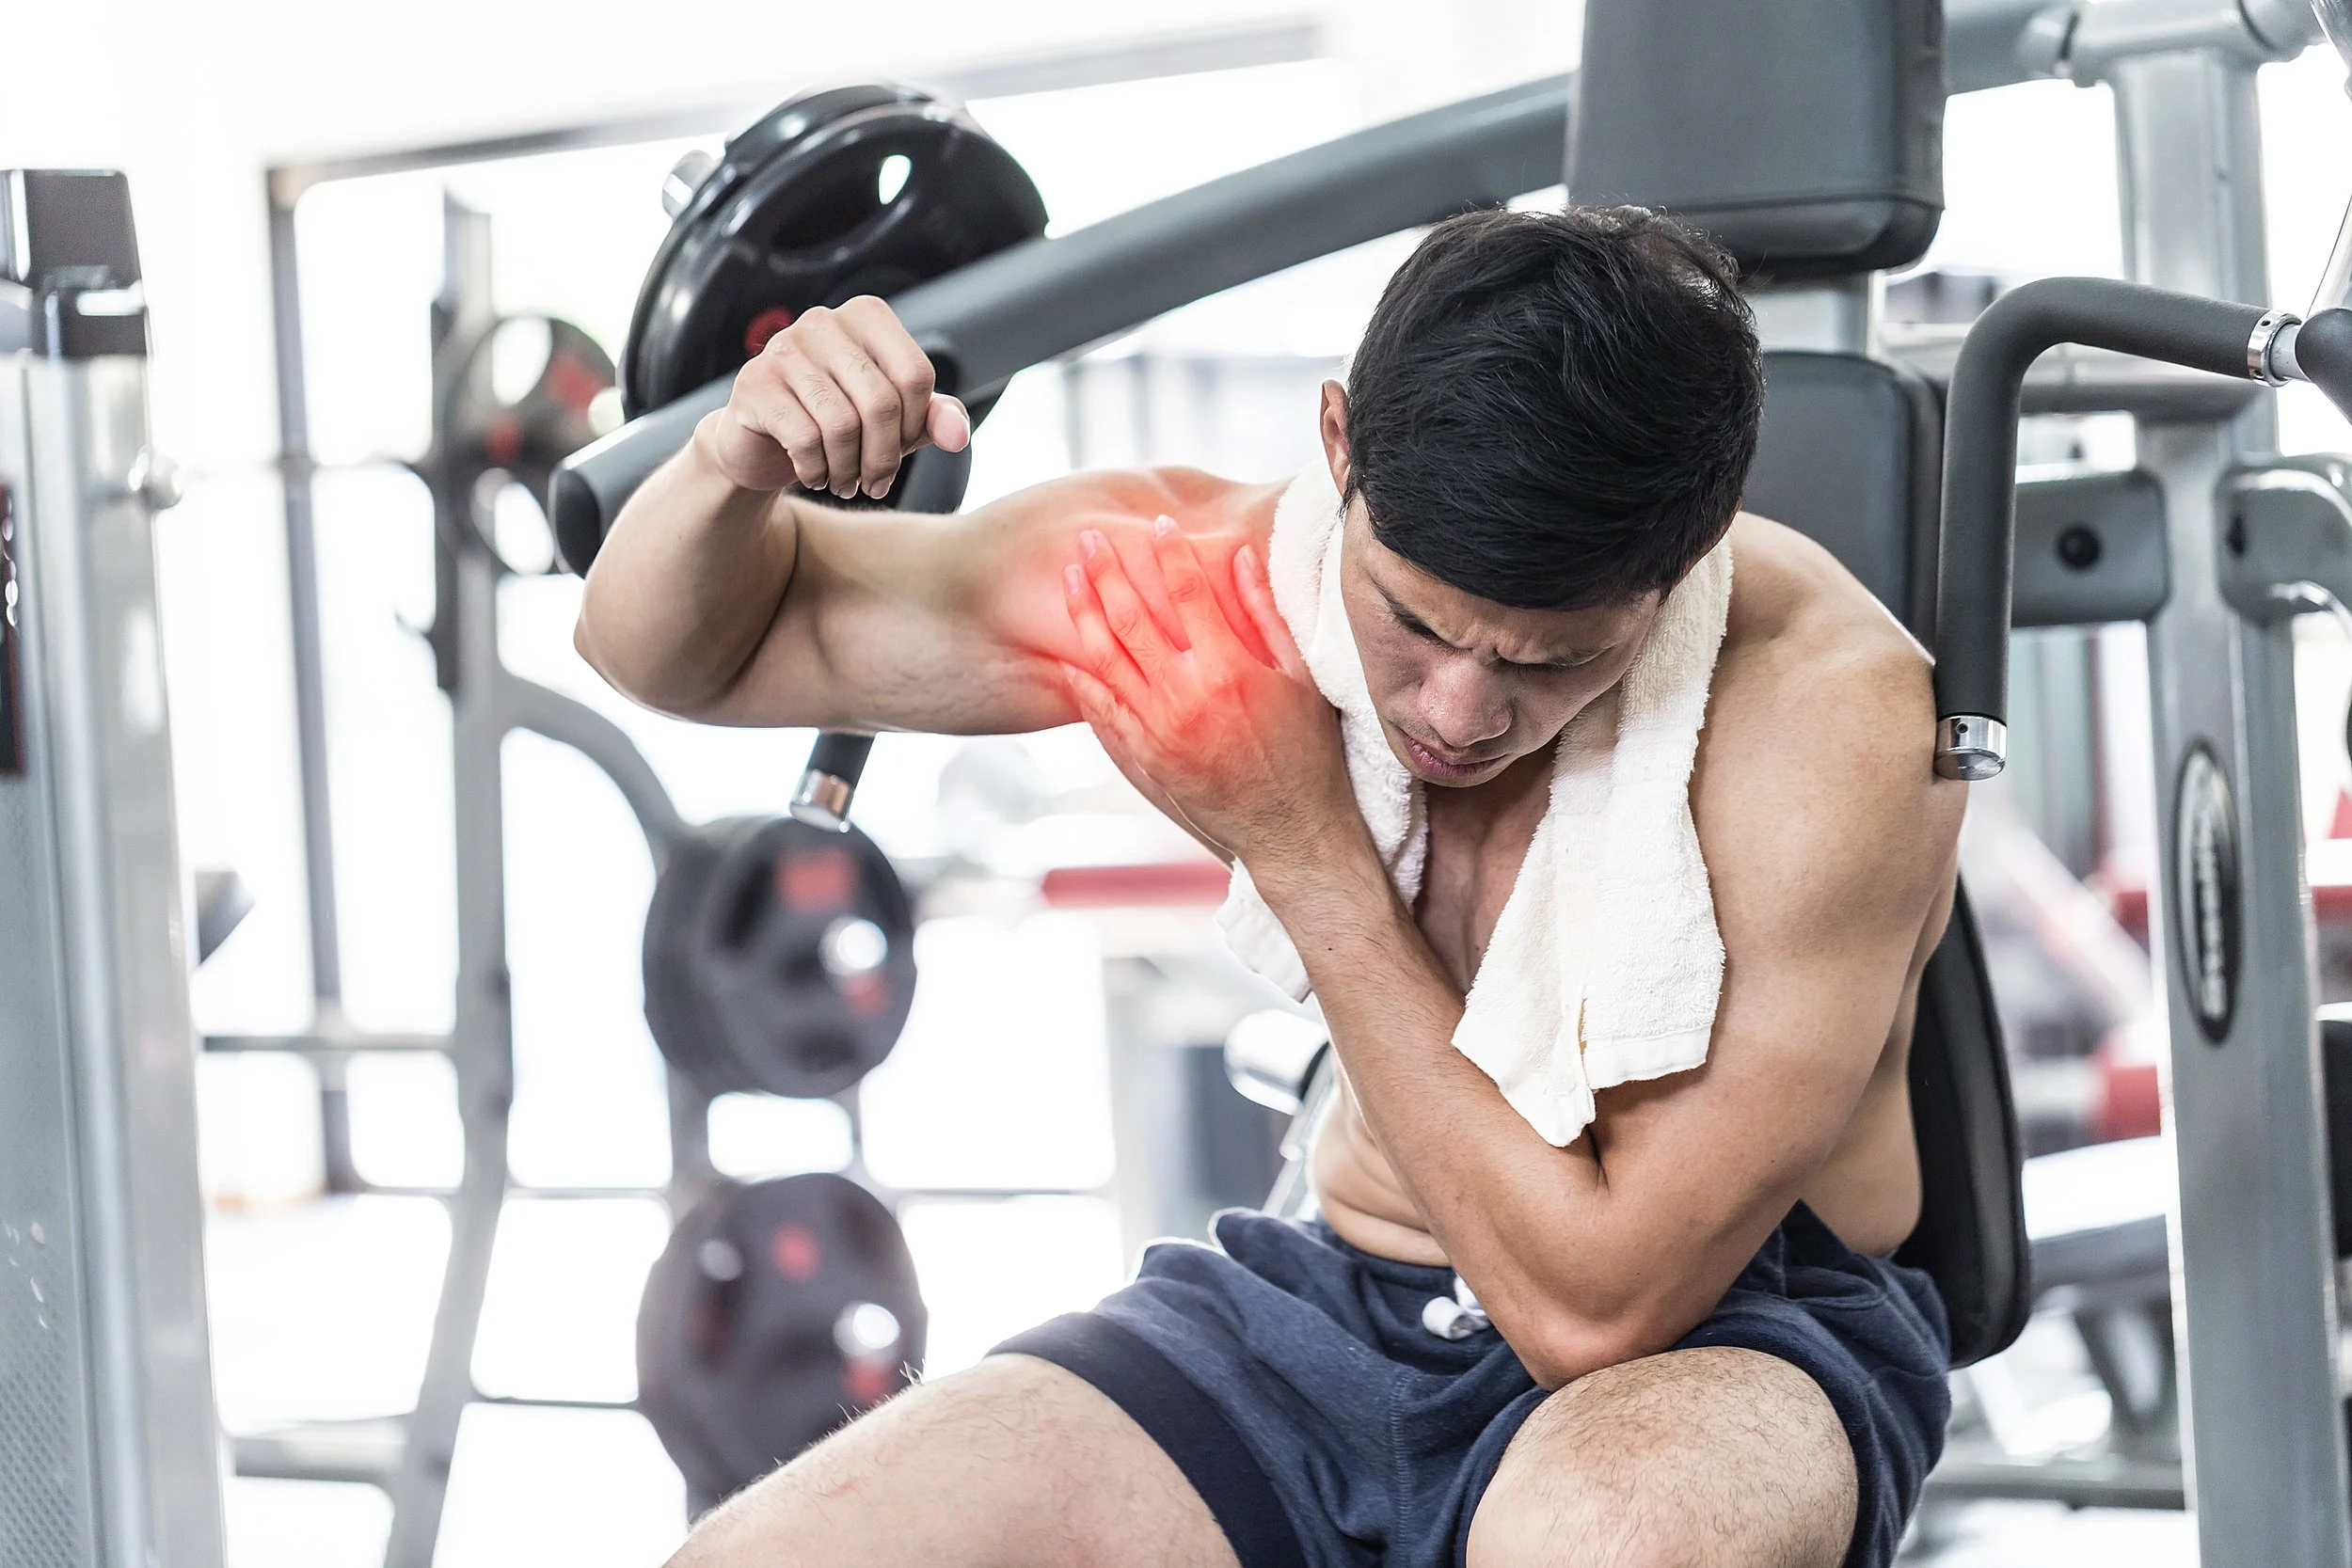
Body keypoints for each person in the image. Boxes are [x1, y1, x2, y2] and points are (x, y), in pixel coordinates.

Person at [577, 205, 1964, 1568]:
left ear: (1690, 555)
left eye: (1552, 660)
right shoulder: (1222, 582)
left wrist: (1299, 840)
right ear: (1339, 446)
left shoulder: (1830, 716)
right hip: (1333, 1306)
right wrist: (728, 466)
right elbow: (690, 650)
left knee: (1605, 1547)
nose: (1460, 712)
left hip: (1725, 1340)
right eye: (1410, 619)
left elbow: (1597, 1312)